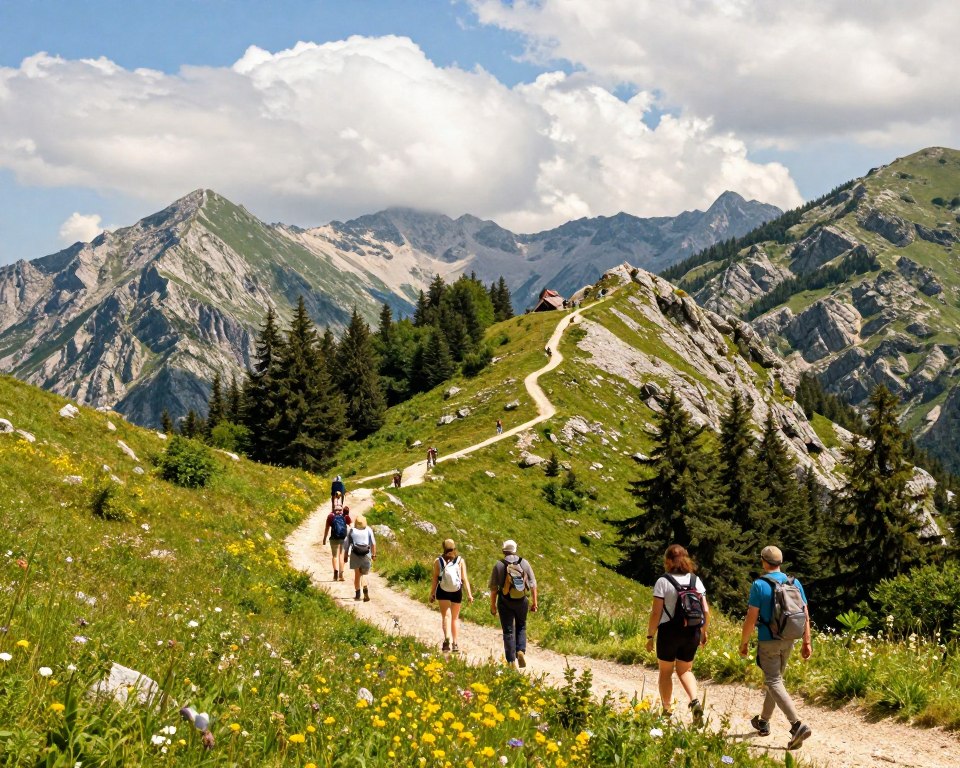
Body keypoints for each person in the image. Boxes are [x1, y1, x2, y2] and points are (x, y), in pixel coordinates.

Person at [739, 545, 813, 751]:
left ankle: (797, 724)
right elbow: (805, 613)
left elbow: (751, 618)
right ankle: (763, 721)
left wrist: (744, 643)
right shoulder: (794, 582)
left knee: (772, 680)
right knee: (775, 680)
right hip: (789, 638)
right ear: (780, 562)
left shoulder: (759, 585)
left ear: (763, 561)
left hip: (768, 640)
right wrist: (807, 641)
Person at [645, 544, 708, 724]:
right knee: (685, 669)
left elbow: (656, 613)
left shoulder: (663, 581)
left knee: (666, 671)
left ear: (667, 561)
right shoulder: (696, 581)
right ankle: (695, 702)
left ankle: (666, 710)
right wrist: (704, 632)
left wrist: (650, 636)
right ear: (686, 559)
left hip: (669, 632)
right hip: (692, 631)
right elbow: (706, 610)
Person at [489, 539, 537, 668]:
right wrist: (535, 603)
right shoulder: (524, 563)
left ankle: (511, 662)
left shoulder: (499, 565)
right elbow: (533, 585)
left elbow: (493, 588)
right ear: (515, 549)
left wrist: (493, 606)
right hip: (522, 601)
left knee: (508, 630)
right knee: (521, 626)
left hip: (505, 601)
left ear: (504, 550)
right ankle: (520, 650)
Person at [429, 538, 474, 652]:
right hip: (456, 592)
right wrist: (469, 594)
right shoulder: (460, 560)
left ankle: (447, 638)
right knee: (455, 618)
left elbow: (435, 579)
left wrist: (432, 593)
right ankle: (455, 643)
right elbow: (464, 579)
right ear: (454, 548)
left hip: (442, 590)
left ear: (443, 548)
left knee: (446, 617)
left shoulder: (437, 561)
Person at [345, 514, 377, 602]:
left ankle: (357, 594)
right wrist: (374, 555)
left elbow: (346, 544)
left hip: (355, 553)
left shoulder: (352, 530)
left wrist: (345, 555)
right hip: (366, 554)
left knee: (357, 574)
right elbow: (373, 543)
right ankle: (365, 588)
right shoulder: (369, 530)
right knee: (364, 574)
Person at [321, 504, 352, 582]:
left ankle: (335, 572)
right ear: (341, 510)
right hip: (343, 538)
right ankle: (341, 575)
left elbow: (327, 528)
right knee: (341, 556)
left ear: (334, 509)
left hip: (334, 538)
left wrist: (324, 539)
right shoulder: (345, 516)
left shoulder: (330, 516)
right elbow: (351, 526)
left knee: (334, 556)